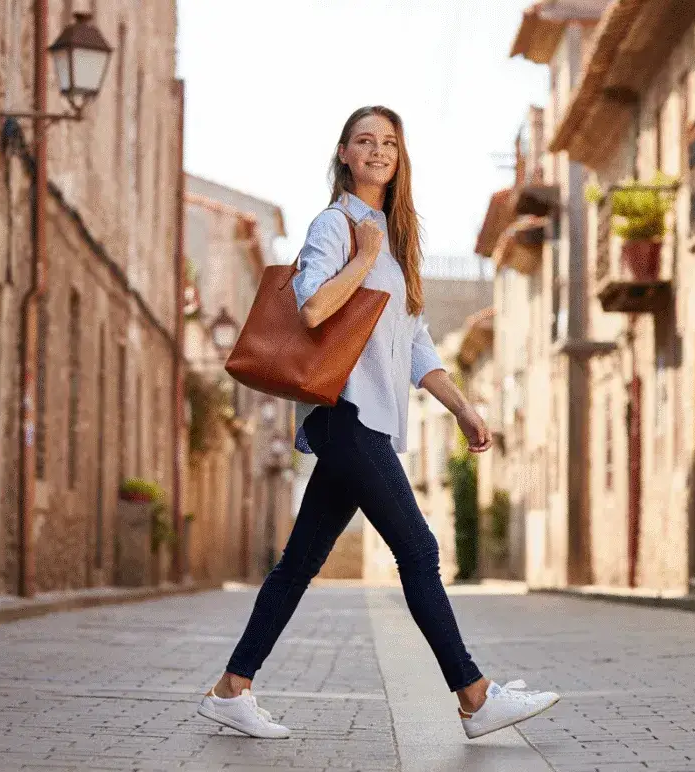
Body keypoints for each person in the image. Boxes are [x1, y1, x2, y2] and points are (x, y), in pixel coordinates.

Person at [197, 106, 559, 740]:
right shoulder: (336, 226)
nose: (377, 150)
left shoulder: (394, 240)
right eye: (363, 140)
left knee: (298, 564)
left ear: (400, 155)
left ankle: (231, 689)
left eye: (388, 141)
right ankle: (475, 697)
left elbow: (414, 342)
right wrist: (362, 259)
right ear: (344, 153)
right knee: (418, 551)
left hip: (366, 422)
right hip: (345, 416)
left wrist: (462, 406)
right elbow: (312, 308)